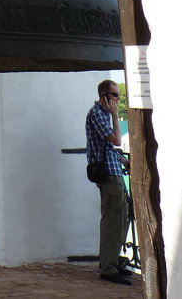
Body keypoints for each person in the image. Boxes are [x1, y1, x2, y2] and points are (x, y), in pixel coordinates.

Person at [86, 79, 132, 285]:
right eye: (114, 95)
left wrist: (124, 160)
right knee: (112, 220)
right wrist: (115, 115)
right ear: (104, 95)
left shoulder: (103, 114)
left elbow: (112, 149)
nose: (117, 99)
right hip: (108, 175)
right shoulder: (97, 113)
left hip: (114, 171)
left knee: (123, 216)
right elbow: (116, 140)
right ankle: (108, 267)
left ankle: (114, 259)